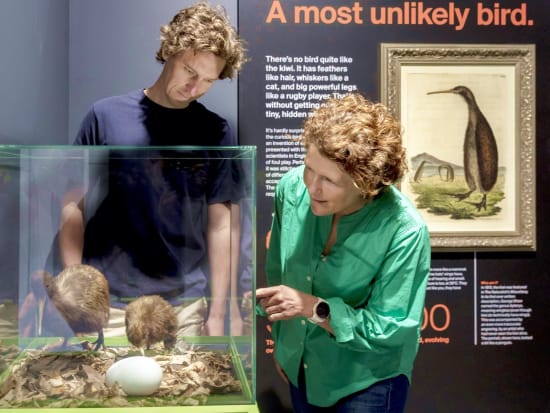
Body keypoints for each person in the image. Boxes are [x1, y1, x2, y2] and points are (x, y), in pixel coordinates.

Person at [47, 1, 248, 339]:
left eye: (208, 80)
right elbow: (72, 203)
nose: (194, 86)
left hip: (184, 304)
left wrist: (220, 312)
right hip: (109, 302)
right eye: (189, 71)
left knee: (188, 392)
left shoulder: (215, 132)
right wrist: (75, 293)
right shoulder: (106, 116)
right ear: (170, 50)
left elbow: (222, 225)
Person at [256, 93, 431, 413]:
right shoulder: (291, 188)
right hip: (302, 367)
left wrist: (313, 307)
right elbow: (278, 274)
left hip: (366, 379)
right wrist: (287, 346)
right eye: (309, 168)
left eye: (330, 180)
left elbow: (390, 328)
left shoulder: (405, 230)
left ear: (367, 184)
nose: (311, 187)